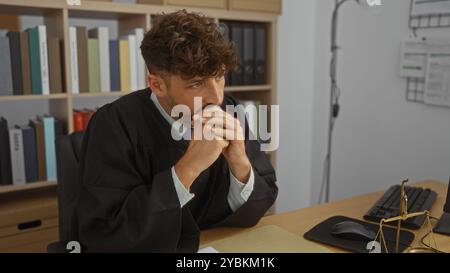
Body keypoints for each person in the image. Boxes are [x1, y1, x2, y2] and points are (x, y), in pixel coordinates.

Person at [76, 10, 278, 252]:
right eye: (196, 83)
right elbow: (106, 233)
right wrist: (188, 168)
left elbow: (263, 199)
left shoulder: (228, 109)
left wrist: (240, 164)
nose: (216, 96)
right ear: (157, 85)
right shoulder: (113, 123)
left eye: (219, 77)